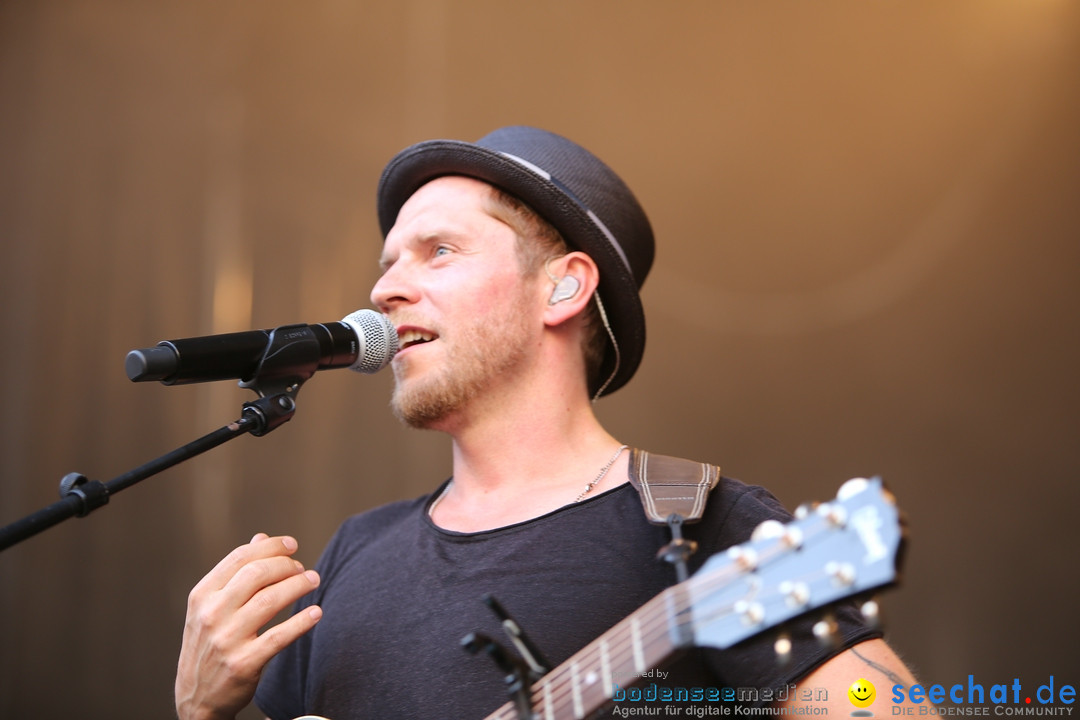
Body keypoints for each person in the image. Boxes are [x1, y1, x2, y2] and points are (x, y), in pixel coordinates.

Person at [174, 127, 919, 720]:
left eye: (438, 251)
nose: (384, 289)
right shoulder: (351, 554)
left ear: (563, 286)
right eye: (388, 263)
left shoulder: (703, 529)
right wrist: (201, 713)